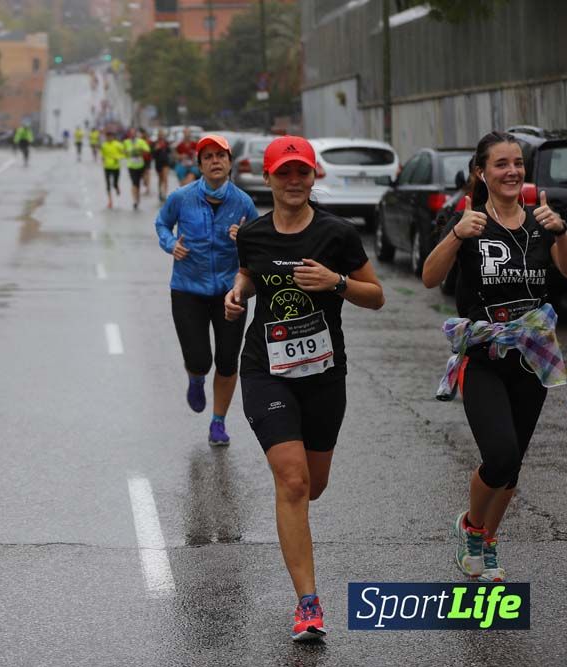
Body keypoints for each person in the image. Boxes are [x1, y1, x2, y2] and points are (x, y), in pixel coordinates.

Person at [223, 136, 385, 641]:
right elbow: (250, 272)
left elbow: (376, 296)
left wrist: (336, 283)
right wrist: (238, 292)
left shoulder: (337, 233)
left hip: (323, 375)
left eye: (302, 173)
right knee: (292, 481)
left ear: (314, 177)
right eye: (283, 173)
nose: (294, 182)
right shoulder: (252, 233)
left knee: (314, 485)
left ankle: (302, 567)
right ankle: (308, 604)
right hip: (264, 368)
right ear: (267, 179)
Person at [422, 131, 567, 584]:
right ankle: (470, 525)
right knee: (499, 453)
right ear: (481, 172)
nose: (512, 171)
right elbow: (429, 278)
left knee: (513, 464)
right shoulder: (471, 223)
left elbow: (565, 272)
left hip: (532, 356)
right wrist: (454, 235)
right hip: (484, 355)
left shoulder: (542, 222)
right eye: (501, 164)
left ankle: (485, 539)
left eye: (518, 163)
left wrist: (562, 232)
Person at [155, 134, 258, 447]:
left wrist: (245, 238)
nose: (216, 161)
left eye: (221, 156)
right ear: (199, 165)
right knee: (200, 359)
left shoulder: (243, 202)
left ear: (229, 163)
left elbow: (259, 246)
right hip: (188, 289)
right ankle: (196, 377)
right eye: (208, 156)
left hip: (230, 291)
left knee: (228, 360)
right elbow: (161, 224)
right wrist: (172, 245)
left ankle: (218, 422)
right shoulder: (181, 198)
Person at [124, 129, 151, 210]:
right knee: (134, 183)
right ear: (129, 134)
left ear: (136, 134)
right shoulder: (126, 142)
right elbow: (123, 151)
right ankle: (135, 200)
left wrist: (141, 150)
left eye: (134, 133)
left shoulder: (140, 141)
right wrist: (127, 152)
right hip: (131, 166)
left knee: (139, 183)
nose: (132, 135)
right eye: (131, 134)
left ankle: (138, 197)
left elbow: (147, 149)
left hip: (140, 165)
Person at [100, 129, 126, 209]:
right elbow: (102, 155)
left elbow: (124, 153)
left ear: (113, 137)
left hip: (116, 167)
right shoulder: (104, 145)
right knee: (108, 185)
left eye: (110, 136)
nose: (109, 138)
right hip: (107, 167)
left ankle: (117, 187)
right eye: (107, 136)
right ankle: (110, 201)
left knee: (114, 183)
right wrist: (103, 159)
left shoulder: (118, 145)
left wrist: (117, 158)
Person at [152, 129, 172, 202]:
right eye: (160, 134)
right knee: (160, 179)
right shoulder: (155, 143)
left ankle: (164, 194)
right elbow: (153, 155)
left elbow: (169, 151)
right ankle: (160, 191)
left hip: (165, 162)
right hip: (158, 163)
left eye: (162, 134)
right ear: (158, 135)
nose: (161, 135)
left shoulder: (166, 143)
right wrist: (156, 149)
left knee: (165, 177)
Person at [140, 128, 153, 196]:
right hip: (140, 160)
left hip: (147, 159)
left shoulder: (149, 141)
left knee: (147, 173)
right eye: (142, 133)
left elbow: (151, 150)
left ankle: (148, 188)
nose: (143, 135)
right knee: (143, 174)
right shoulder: (139, 141)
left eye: (144, 133)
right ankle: (145, 183)